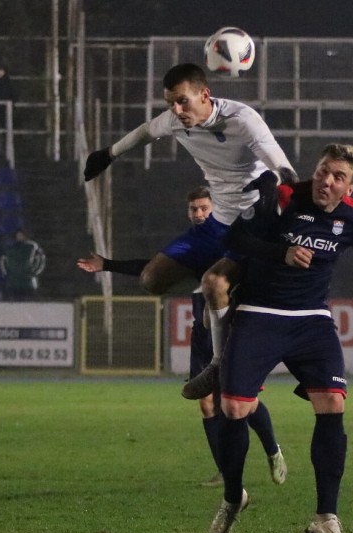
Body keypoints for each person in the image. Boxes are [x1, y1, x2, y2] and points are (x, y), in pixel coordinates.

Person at [206, 143, 353, 533]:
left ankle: (326, 518)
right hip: (260, 313)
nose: (326, 181)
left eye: (337, 177)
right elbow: (237, 238)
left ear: (350, 187)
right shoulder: (283, 197)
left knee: (333, 403)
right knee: (233, 410)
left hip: (311, 321)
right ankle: (233, 497)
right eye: (322, 171)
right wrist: (281, 251)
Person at [82, 62, 297, 401]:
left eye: (182, 101)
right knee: (152, 280)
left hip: (252, 221)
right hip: (216, 223)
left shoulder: (242, 120)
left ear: (205, 95)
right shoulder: (174, 120)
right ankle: (229, 296)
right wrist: (107, 155)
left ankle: (218, 363)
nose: (176, 110)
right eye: (170, 103)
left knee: (214, 284)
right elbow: (144, 132)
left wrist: (288, 203)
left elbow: (282, 167)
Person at [76, 188, 287, 487]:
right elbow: (150, 266)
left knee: (244, 403)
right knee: (205, 403)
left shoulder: (232, 241)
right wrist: (107, 264)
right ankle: (227, 472)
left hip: (229, 330)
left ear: (216, 209)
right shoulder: (192, 245)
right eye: (193, 209)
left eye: (203, 208)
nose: (198, 214)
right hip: (202, 332)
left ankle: (273, 451)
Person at [0, 229, 46, 300]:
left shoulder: (32, 246)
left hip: (28, 281)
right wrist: (6, 273)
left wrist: (35, 271)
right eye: (18, 235)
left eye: (21, 235)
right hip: (13, 281)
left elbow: (41, 259)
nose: (19, 236)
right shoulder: (10, 247)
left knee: (30, 302)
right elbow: (3, 260)